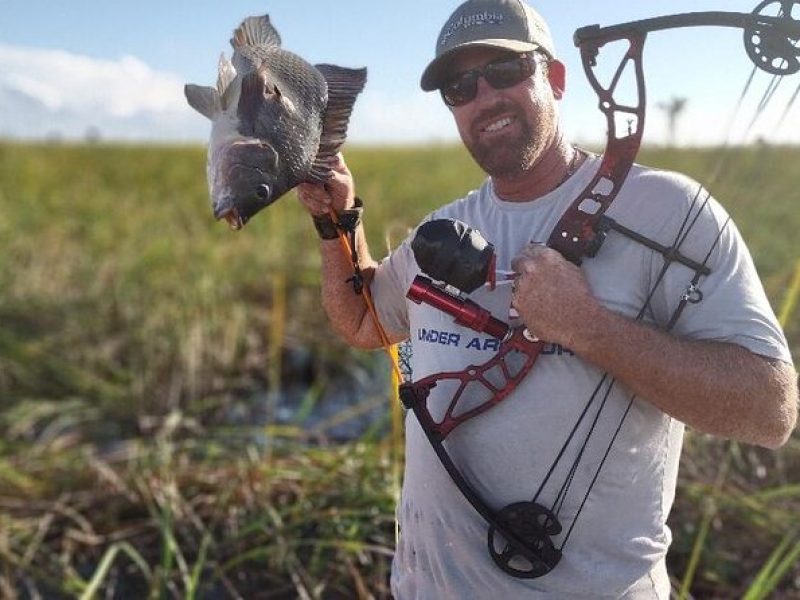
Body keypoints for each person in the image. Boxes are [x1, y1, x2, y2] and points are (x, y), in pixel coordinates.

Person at [297, 0, 799, 597]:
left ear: (556, 78)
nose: (484, 97)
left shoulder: (669, 210)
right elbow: (364, 322)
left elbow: (771, 412)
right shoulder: (446, 225)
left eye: (506, 71)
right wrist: (338, 223)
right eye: (460, 87)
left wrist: (588, 327)